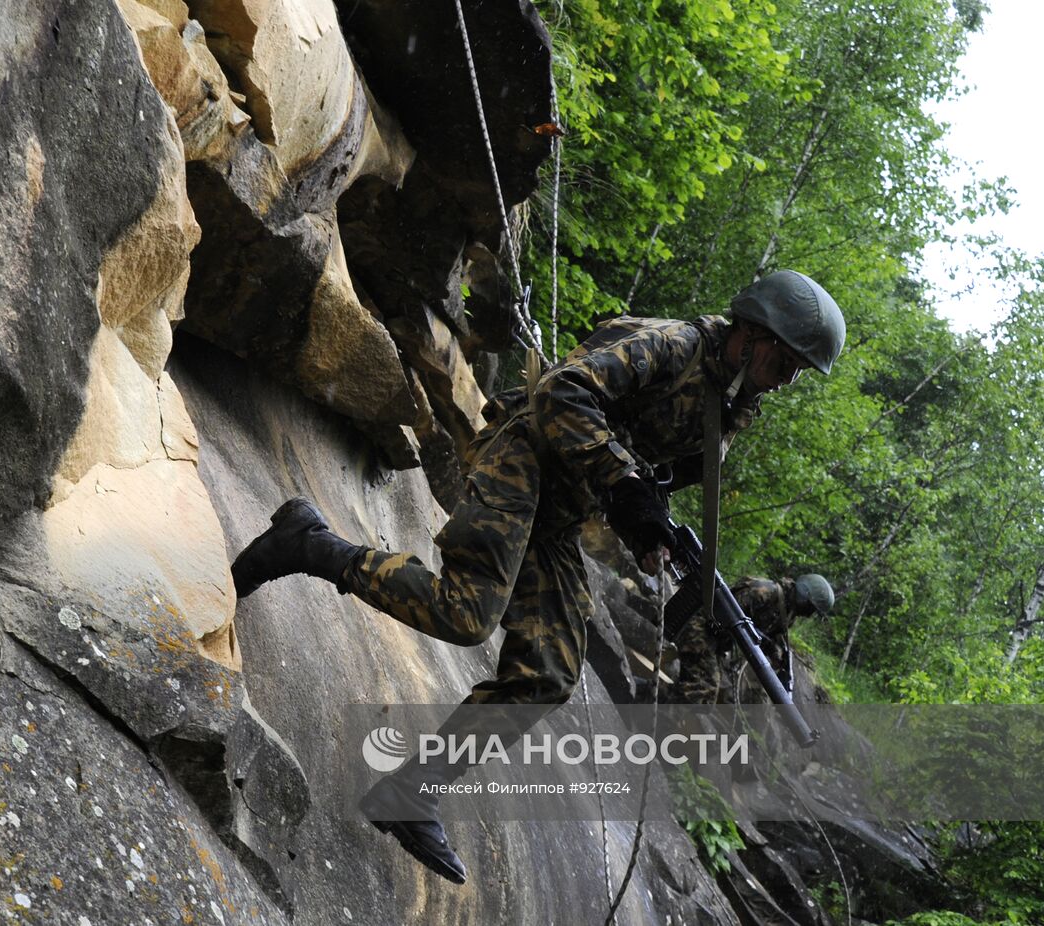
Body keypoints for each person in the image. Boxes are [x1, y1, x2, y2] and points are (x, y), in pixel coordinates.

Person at [231, 270, 846, 884]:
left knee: (547, 673)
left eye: (798, 369)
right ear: (751, 332)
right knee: (466, 614)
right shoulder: (673, 344)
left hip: (563, 506)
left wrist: (643, 523)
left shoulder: (735, 406)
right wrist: (624, 483)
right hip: (520, 452)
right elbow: (564, 391)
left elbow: (648, 474)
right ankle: (307, 545)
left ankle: (411, 790)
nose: (788, 377)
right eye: (785, 359)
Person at [673, 574, 836, 705]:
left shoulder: (787, 614)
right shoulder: (763, 592)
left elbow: (771, 640)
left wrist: (774, 653)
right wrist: (755, 635)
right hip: (700, 629)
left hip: (718, 643)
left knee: (726, 696)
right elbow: (721, 612)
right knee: (705, 689)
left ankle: (659, 696)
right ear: (804, 596)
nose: (810, 614)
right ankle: (667, 723)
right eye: (811, 608)